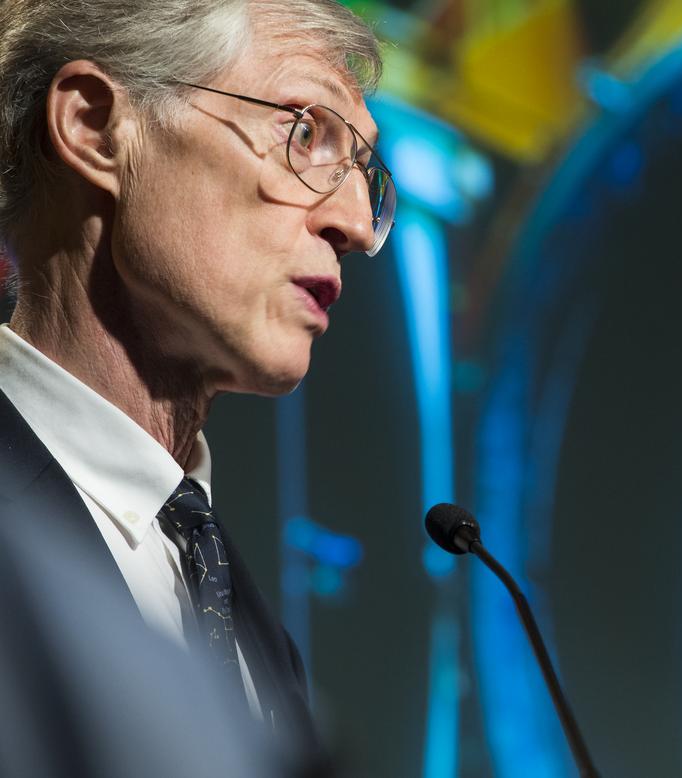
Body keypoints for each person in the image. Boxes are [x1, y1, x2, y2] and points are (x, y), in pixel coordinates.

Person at [0, 0, 395, 768]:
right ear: (92, 127)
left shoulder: (249, 624)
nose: (352, 221)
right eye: (304, 133)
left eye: (364, 173)